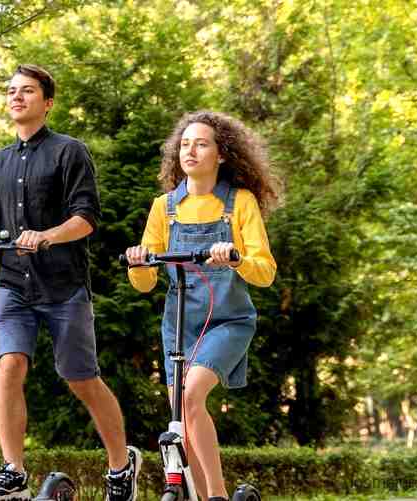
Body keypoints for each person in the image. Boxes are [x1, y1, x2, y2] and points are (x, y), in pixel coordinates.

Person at [0, 64, 141, 501]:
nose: (16, 97)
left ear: (46, 103)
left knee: (81, 379)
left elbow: (86, 217)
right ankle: (13, 469)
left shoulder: (70, 152)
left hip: (63, 286)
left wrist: (47, 236)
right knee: (9, 365)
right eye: (11, 91)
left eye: (27, 91)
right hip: (11, 283)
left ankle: (121, 466)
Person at [124, 111, 280, 501]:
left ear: (222, 154)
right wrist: (139, 261)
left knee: (191, 396)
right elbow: (144, 284)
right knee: (182, 412)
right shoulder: (165, 207)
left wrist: (237, 259)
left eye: (202, 143)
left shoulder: (239, 203)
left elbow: (266, 272)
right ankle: (195, 494)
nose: (190, 150)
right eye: (185, 144)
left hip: (228, 321)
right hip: (178, 323)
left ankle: (217, 495)